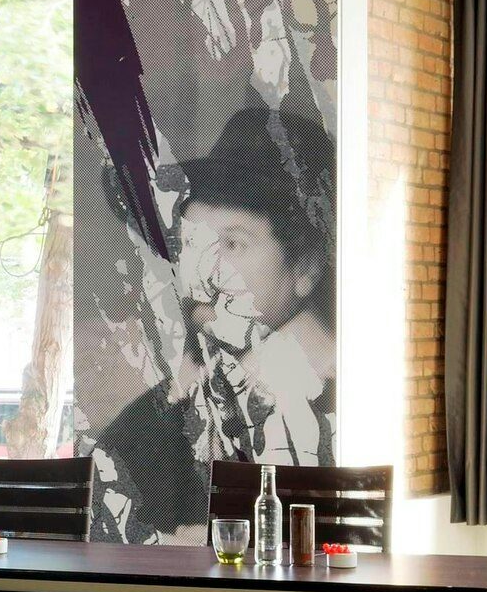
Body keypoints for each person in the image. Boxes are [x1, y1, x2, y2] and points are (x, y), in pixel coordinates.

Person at [89, 105, 336, 542]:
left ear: (306, 266)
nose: (202, 272)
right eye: (193, 244)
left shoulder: (345, 411)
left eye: (234, 243)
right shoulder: (147, 432)